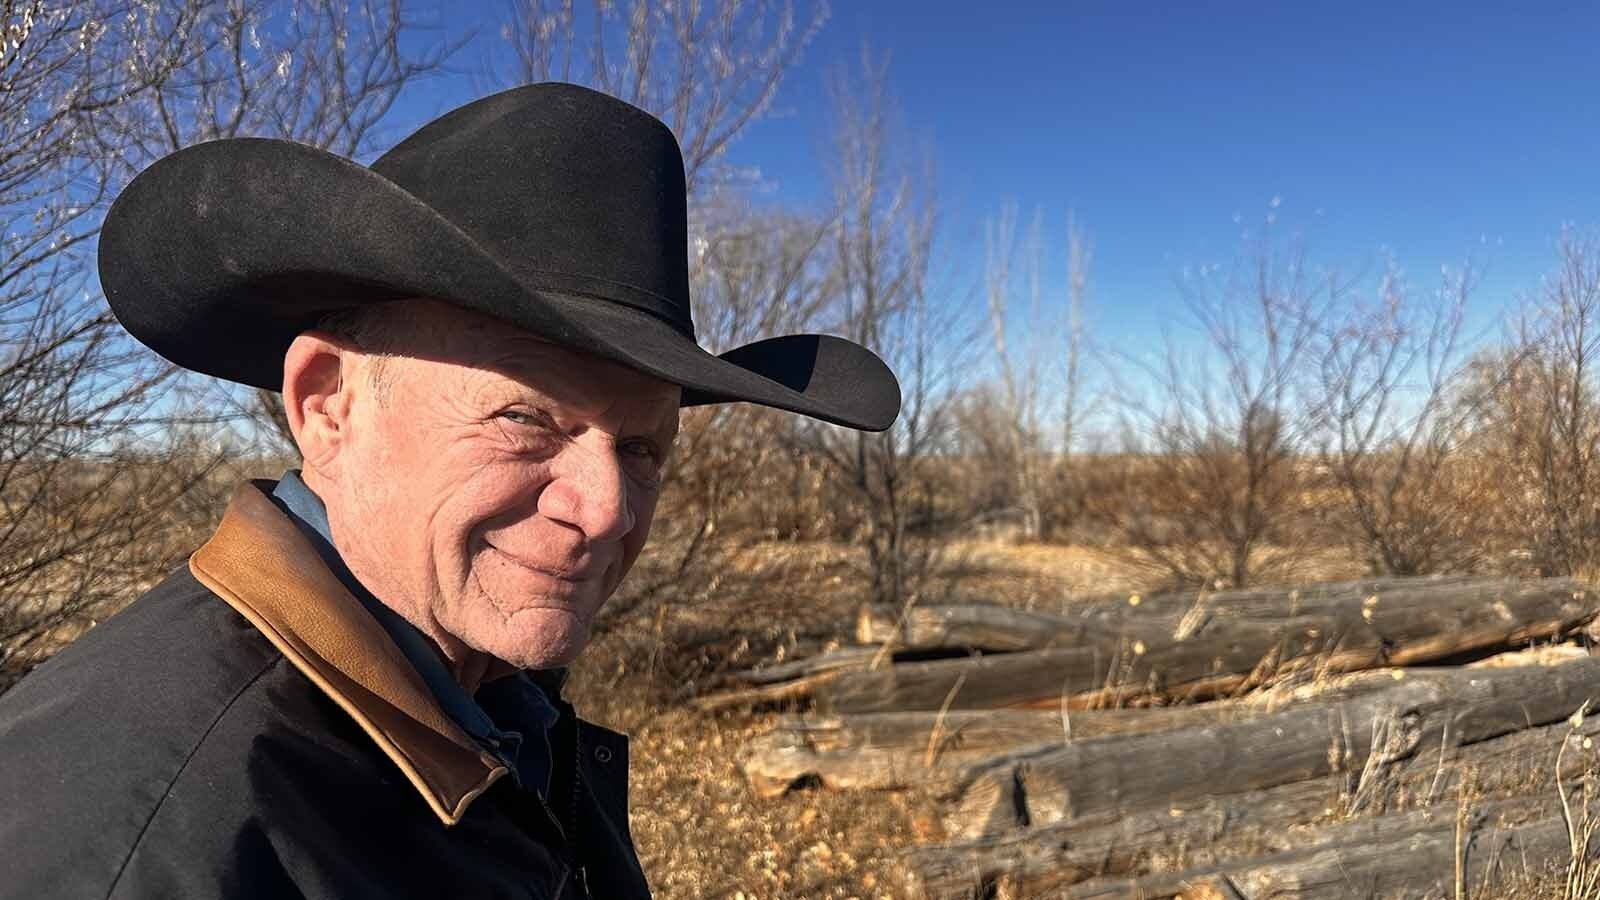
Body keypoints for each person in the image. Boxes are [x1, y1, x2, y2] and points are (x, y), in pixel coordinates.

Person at [0, 83, 898, 899]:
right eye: (526, 418)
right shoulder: (145, 840)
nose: (608, 509)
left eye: (640, 448)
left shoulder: (490, 697)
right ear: (327, 406)